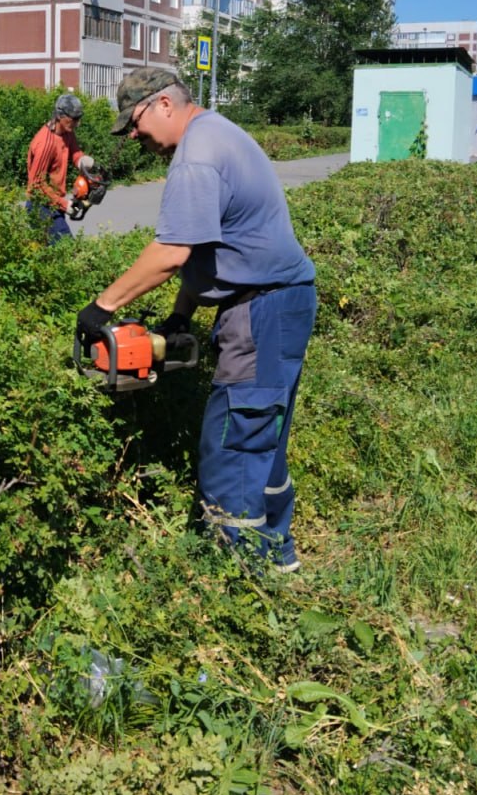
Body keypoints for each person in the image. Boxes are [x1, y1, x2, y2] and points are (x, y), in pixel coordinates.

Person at [75, 67, 316, 572]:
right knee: (263, 438)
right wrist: (181, 316)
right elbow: (206, 249)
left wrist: (103, 307)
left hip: (261, 309)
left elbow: (172, 251)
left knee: (234, 441)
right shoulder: (217, 133)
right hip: (280, 303)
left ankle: (240, 580)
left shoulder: (195, 157)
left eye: (135, 122)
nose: (135, 136)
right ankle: (278, 559)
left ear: (165, 104)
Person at [26, 93, 97, 243]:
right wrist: (64, 204)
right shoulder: (45, 143)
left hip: (54, 203)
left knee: (49, 256)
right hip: (41, 206)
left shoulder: (67, 133)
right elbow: (36, 184)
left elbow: (75, 151)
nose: (77, 123)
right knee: (66, 250)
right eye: (74, 119)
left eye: (79, 118)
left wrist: (81, 160)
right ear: (60, 115)